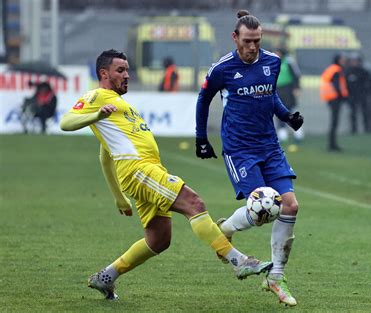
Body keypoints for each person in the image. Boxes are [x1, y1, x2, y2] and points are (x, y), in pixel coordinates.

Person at [60, 49, 272, 301]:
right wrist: (96, 114)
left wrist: (118, 197)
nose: (127, 75)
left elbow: (105, 155)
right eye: (120, 70)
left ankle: (106, 276)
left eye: (127, 70)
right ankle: (239, 261)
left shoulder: (120, 104)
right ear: (103, 73)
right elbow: (65, 122)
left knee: (159, 239)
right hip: (139, 169)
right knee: (194, 204)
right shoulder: (96, 97)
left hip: (146, 171)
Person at [195, 10, 304, 306]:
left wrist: (287, 116)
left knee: (290, 205)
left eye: (257, 40)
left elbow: (270, 97)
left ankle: (276, 276)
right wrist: (201, 138)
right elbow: (203, 100)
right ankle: (226, 230)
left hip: (270, 147)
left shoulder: (272, 62)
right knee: (261, 210)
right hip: (239, 149)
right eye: (247, 41)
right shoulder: (222, 69)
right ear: (235, 38)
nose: (252, 46)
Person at [274, 47, 304, 144]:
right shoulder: (272, 62)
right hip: (277, 90)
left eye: (278, 52)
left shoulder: (289, 62)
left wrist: (296, 88)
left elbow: (296, 75)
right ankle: (282, 135)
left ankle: (298, 132)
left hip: (288, 89)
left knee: (290, 111)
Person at [320, 53, 349, 152]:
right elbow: (337, 86)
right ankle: (332, 145)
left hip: (330, 98)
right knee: (334, 123)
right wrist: (343, 97)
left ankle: (332, 144)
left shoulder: (331, 69)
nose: (344, 61)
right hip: (335, 99)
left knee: (334, 122)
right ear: (338, 60)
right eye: (342, 59)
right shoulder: (337, 70)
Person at [345, 52, 371, 133]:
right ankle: (353, 130)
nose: (355, 62)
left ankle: (367, 129)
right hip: (352, 96)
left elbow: (368, 83)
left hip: (362, 95)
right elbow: (345, 85)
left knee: (365, 113)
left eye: (356, 60)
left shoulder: (364, 72)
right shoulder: (347, 72)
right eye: (353, 61)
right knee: (353, 114)